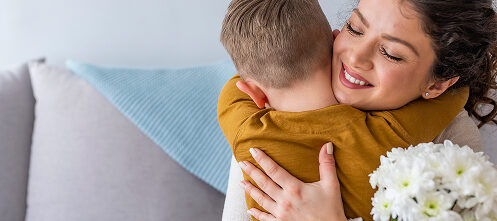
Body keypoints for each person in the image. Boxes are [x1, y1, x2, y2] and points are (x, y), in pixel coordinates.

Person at [221, 0, 497, 220]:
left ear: (438, 85)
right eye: (354, 28)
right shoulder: (269, 109)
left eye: (390, 53)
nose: (354, 57)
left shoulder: (453, 145)